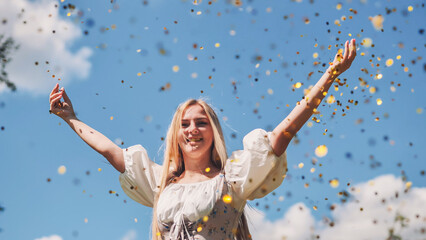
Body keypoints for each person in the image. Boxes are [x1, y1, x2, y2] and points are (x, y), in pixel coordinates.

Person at [49, 39, 356, 240]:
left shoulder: (232, 179)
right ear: (176, 135)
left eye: (201, 122)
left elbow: (281, 135)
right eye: (184, 124)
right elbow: (110, 151)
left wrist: (330, 75)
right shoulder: (160, 183)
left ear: (214, 133)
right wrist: (70, 118)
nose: (192, 129)